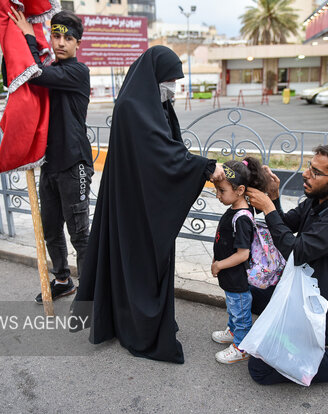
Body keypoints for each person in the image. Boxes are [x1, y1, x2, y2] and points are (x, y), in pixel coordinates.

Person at [70, 45, 225, 364]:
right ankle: (136, 328)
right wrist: (203, 167)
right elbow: (158, 154)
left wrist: (195, 165)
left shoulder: (156, 103)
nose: (173, 87)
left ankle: (140, 321)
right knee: (138, 263)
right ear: (154, 76)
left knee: (148, 262)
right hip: (133, 202)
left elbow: (170, 147)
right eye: (169, 80)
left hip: (148, 198)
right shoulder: (131, 106)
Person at [245, 144, 328, 397]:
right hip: (298, 293)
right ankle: (282, 338)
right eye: (309, 167)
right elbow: (285, 227)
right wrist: (273, 197)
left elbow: (295, 251)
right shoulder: (316, 202)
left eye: (316, 172)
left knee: (259, 369)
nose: (306, 174)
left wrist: (269, 209)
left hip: (323, 309)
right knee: (247, 289)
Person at [7, 8, 93, 303]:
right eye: (55, 35)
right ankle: (62, 279)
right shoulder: (54, 67)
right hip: (48, 164)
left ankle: (91, 291)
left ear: (78, 43)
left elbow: (35, 75)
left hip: (74, 164)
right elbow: (22, 72)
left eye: (68, 38)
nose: (60, 42)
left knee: (80, 235)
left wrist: (30, 36)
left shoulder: (77, 72)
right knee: (51, 229)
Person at [211, 157, 269, 364]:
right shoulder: (236, 209)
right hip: (230, 276)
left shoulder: (242, 218)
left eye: (222, 191)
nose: (218, 195)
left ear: (240, 190)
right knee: (234, 308)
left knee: (240, 312)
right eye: (216, 190)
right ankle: (234, 331)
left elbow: (243, 254)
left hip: (237, 278)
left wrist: (219, 264)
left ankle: (242, 346)